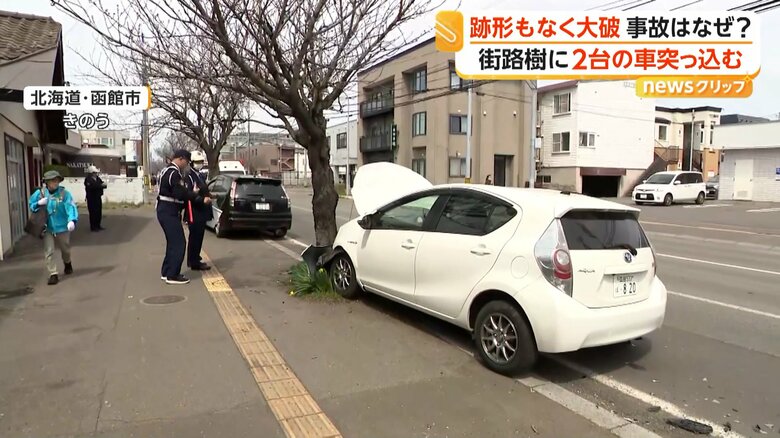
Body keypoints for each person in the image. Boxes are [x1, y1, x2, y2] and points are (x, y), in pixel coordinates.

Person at [156, 149, 205, 285]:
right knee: (179, 243)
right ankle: (173, 275)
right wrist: (193, 194)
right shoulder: (173, 173)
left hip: (166, 210)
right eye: (187, 162)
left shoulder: (167, 171)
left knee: (172, 243)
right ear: (181, 159)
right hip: (168, 210)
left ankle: (167, 272)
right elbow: (179, 193)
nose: (187, 164)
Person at [28, 170, 79, 285]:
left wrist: (72, 220)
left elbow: (71, 207)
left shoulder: (64, 194)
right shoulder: (40, 193)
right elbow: (31, 205)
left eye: (57, 180)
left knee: (65, 249)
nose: (55, 183)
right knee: (49, 251)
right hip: (47, 228)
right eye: (53, 181)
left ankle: (67, 262)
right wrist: (38, 203)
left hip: (62, 227)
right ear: (47, 182)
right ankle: (53, 274)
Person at [184, 151, 213, 271]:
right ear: (191, 163)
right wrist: (202, 200)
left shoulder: (199, 175)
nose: (199, 164)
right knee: (195, 236)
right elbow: (189, 194)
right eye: (197, 162)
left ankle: (194, 259)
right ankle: (194, 261)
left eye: (201, 162)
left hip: (201, 211)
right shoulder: (189, 176)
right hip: (194, 210)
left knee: (198, 236)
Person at [84, 165, 106, 231]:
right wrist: (100, 186)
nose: (95, 174)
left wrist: (102, 185)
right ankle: (93, 227)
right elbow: (91, 187)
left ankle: (98, 225)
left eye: (96, 173)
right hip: (91, 198)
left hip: (98, 197)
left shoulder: (98, 178)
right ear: (91, 173)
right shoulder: (88, 179)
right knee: (93, 213)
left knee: (98, 212)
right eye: (94, 172)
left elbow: (102, 184)